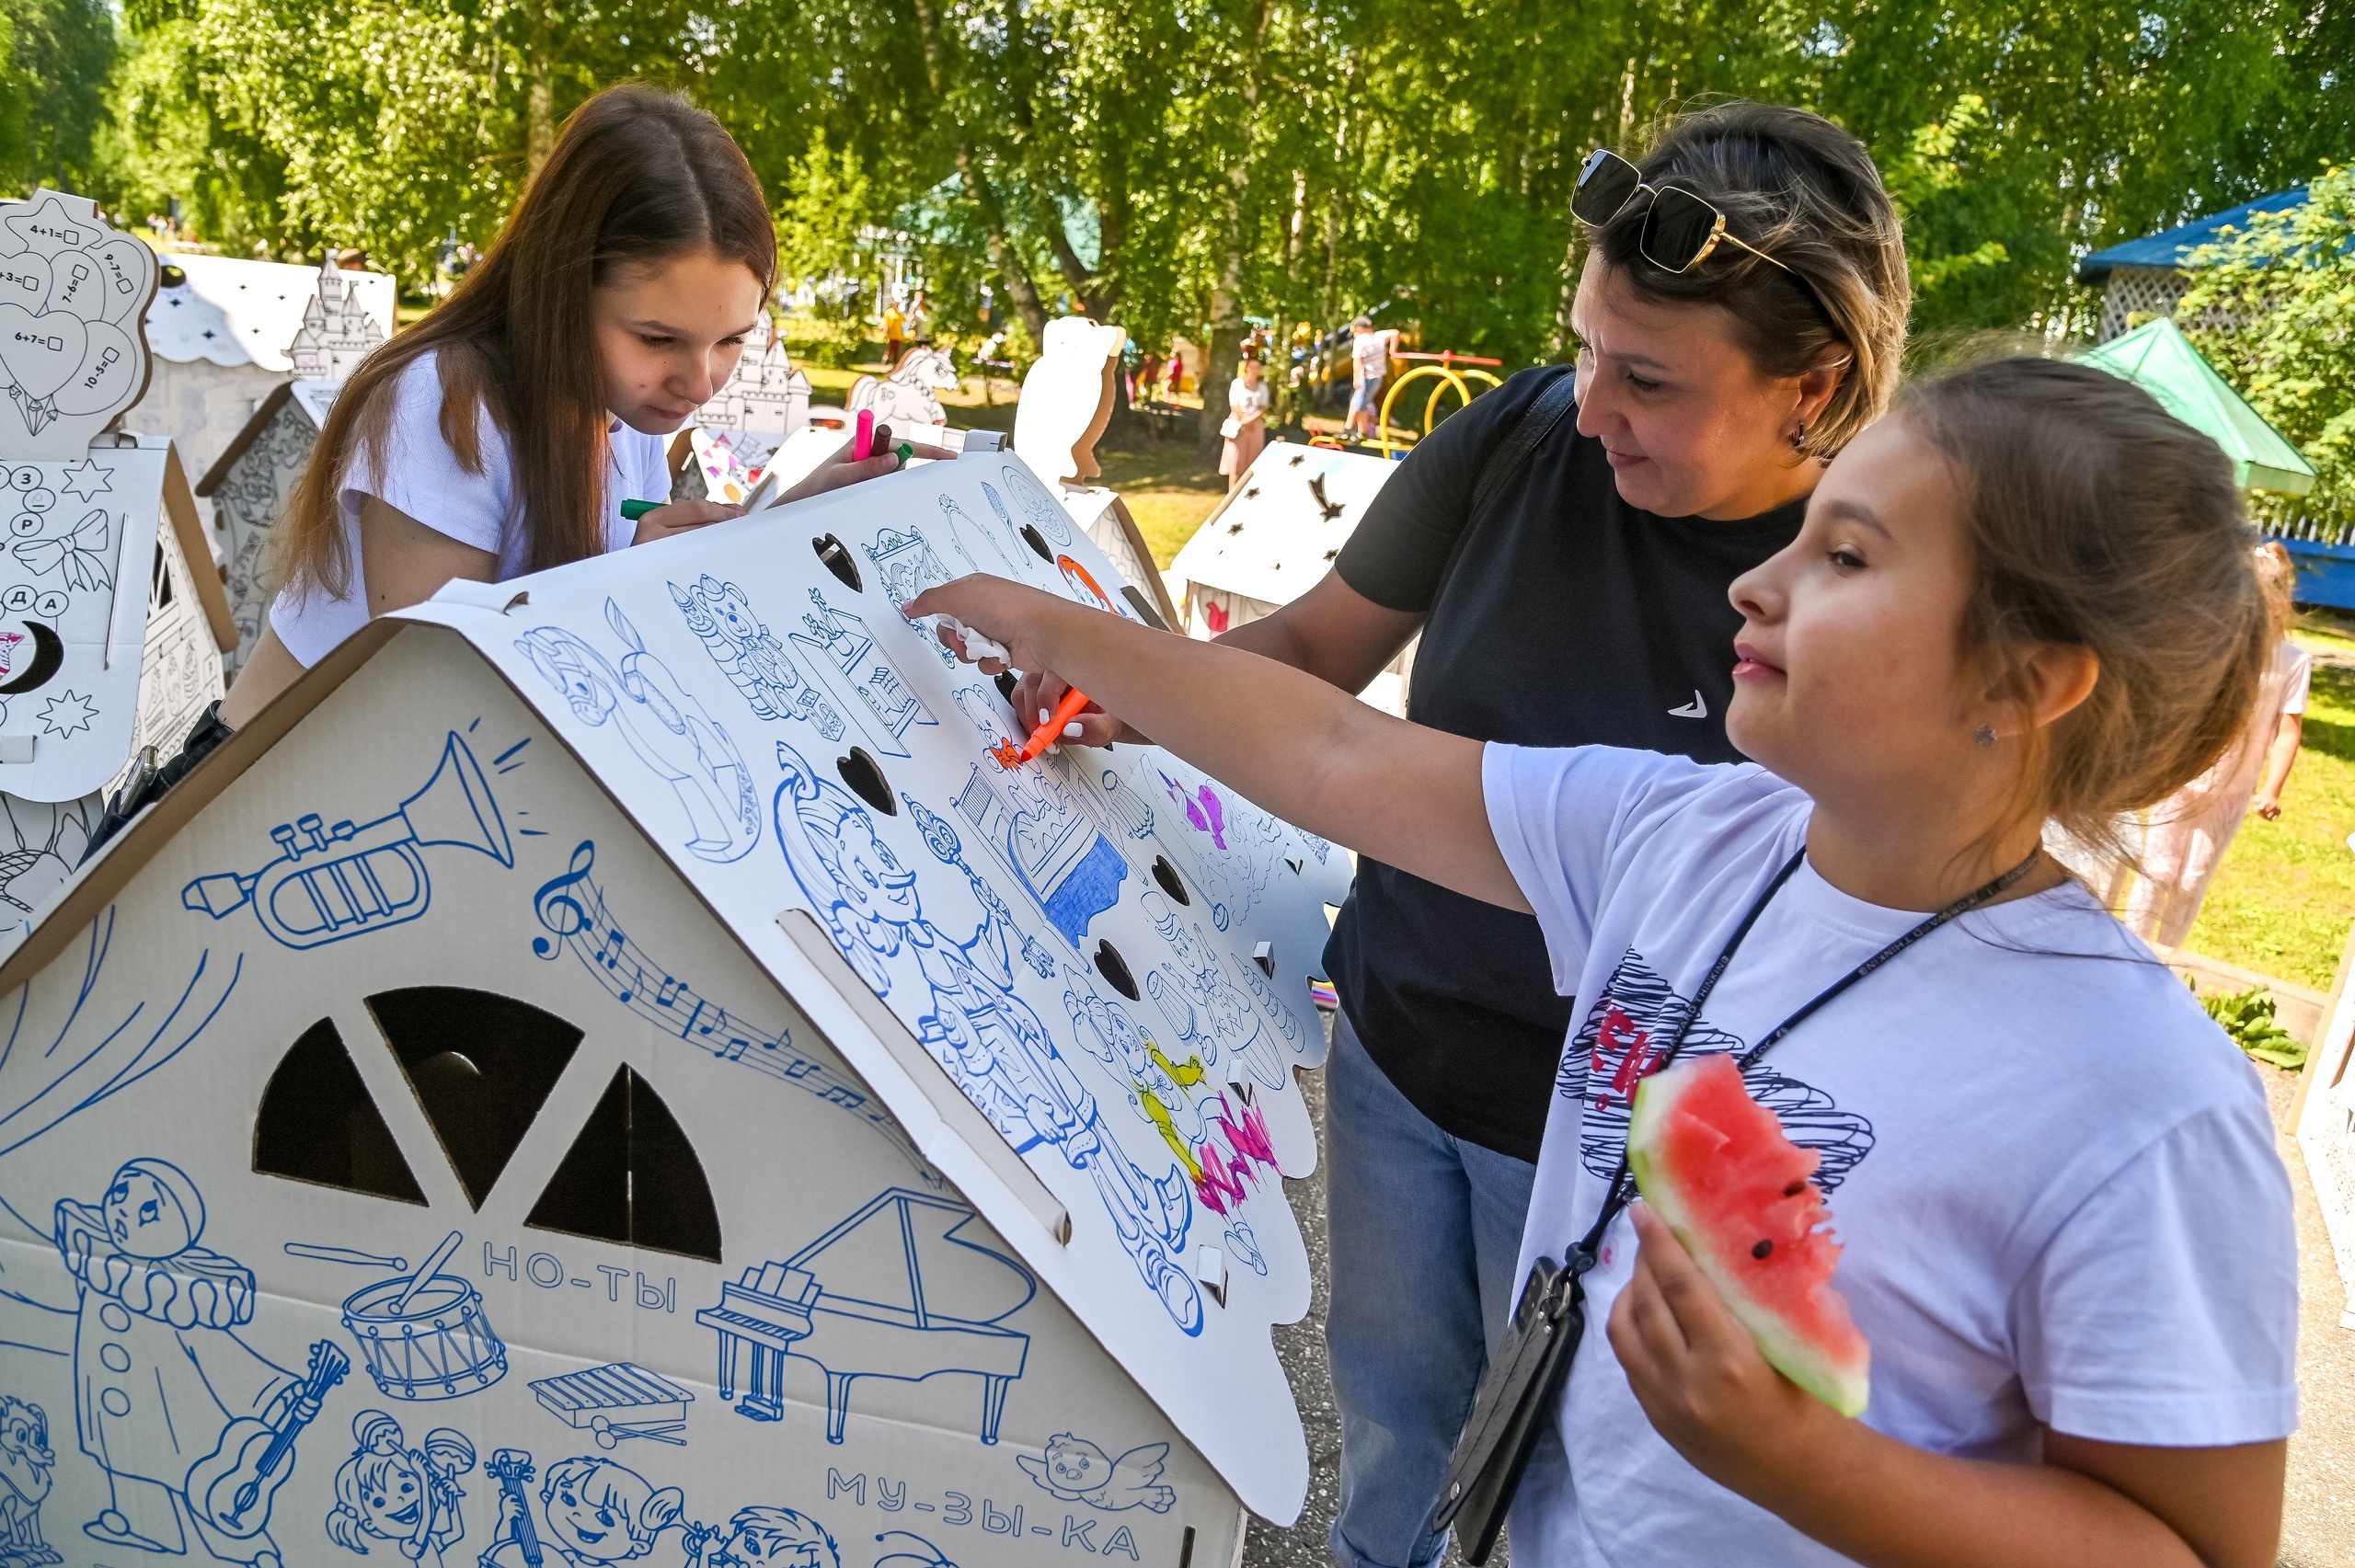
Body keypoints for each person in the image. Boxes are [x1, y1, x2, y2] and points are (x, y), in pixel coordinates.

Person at [912, 353, 2297, 1568]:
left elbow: (2193, 1546)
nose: (1756, 583)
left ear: (2029, 679)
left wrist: (1820, 1469)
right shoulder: (1683, 833)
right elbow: (1339, 752)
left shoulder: (2144, 1105)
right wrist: (1061, 631)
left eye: (1848, 558)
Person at [1005, 100, 1909, 1568]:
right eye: (1586, 349)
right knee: (1391, 1459)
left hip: (1641, 1153)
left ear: (1812, 389)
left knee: (1575, 1512)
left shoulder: (1876, 584)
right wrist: (1132, 688)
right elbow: (1307, 659)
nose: (1594, 407)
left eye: (1651, 381)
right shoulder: (1522, 437)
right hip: (1399, 1056)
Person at [205, 86, 935, 743]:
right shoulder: (444, 405)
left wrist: (787, 519)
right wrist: (633, 592)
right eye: (657, 339)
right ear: (560, 289)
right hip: (242, 814)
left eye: (732, 340)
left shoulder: (624, 412)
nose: (701, 383)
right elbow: (436, 706)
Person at [2124, 540, 2311, 947]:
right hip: (2182, 777)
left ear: (2279, 604)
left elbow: (2287, 730)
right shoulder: (2214, 645)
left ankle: (2168, 960)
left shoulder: (2294, 662)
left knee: (2191, 880)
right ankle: (2130, 951)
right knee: (2157, 870)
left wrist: (2272, 788)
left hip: (2231, 794)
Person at [1345, 315, 1401, 440]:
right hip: (1378, 378)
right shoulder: (1378, 336)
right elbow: (1395, 333)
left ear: (1359, 328)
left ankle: (1362, 433)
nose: (1354, 335)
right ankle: (1347, 429)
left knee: (1360, 404)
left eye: (1354, 332)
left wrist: (1356, 378)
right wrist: (1393, 351)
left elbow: (1357, 361)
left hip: (1366, 377)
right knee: (1356, 401)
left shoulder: (1360, 340)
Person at [1221, 355, 1272, 488]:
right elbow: (1234, 405)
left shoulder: (1262, 388)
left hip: (1255, 427)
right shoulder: (1237, 384)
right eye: (1252, 367)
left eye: (1257, 367)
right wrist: (1244, 421)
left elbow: (1263, 407)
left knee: (1252, 461)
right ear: (1246, 368)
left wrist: (1251, 421)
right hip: (1238, 425)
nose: (1255, 370)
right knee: (1236, 463)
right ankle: (1231, 494)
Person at [882, 295, 906, 366]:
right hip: (892, 334)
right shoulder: (889, 312)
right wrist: (885, 332)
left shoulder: (899, 314)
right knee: (892, 348)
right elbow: (886, 323)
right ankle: (887, 358)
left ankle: (894, 362)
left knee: (896, 349)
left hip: (898, 335)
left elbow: (904, 322)